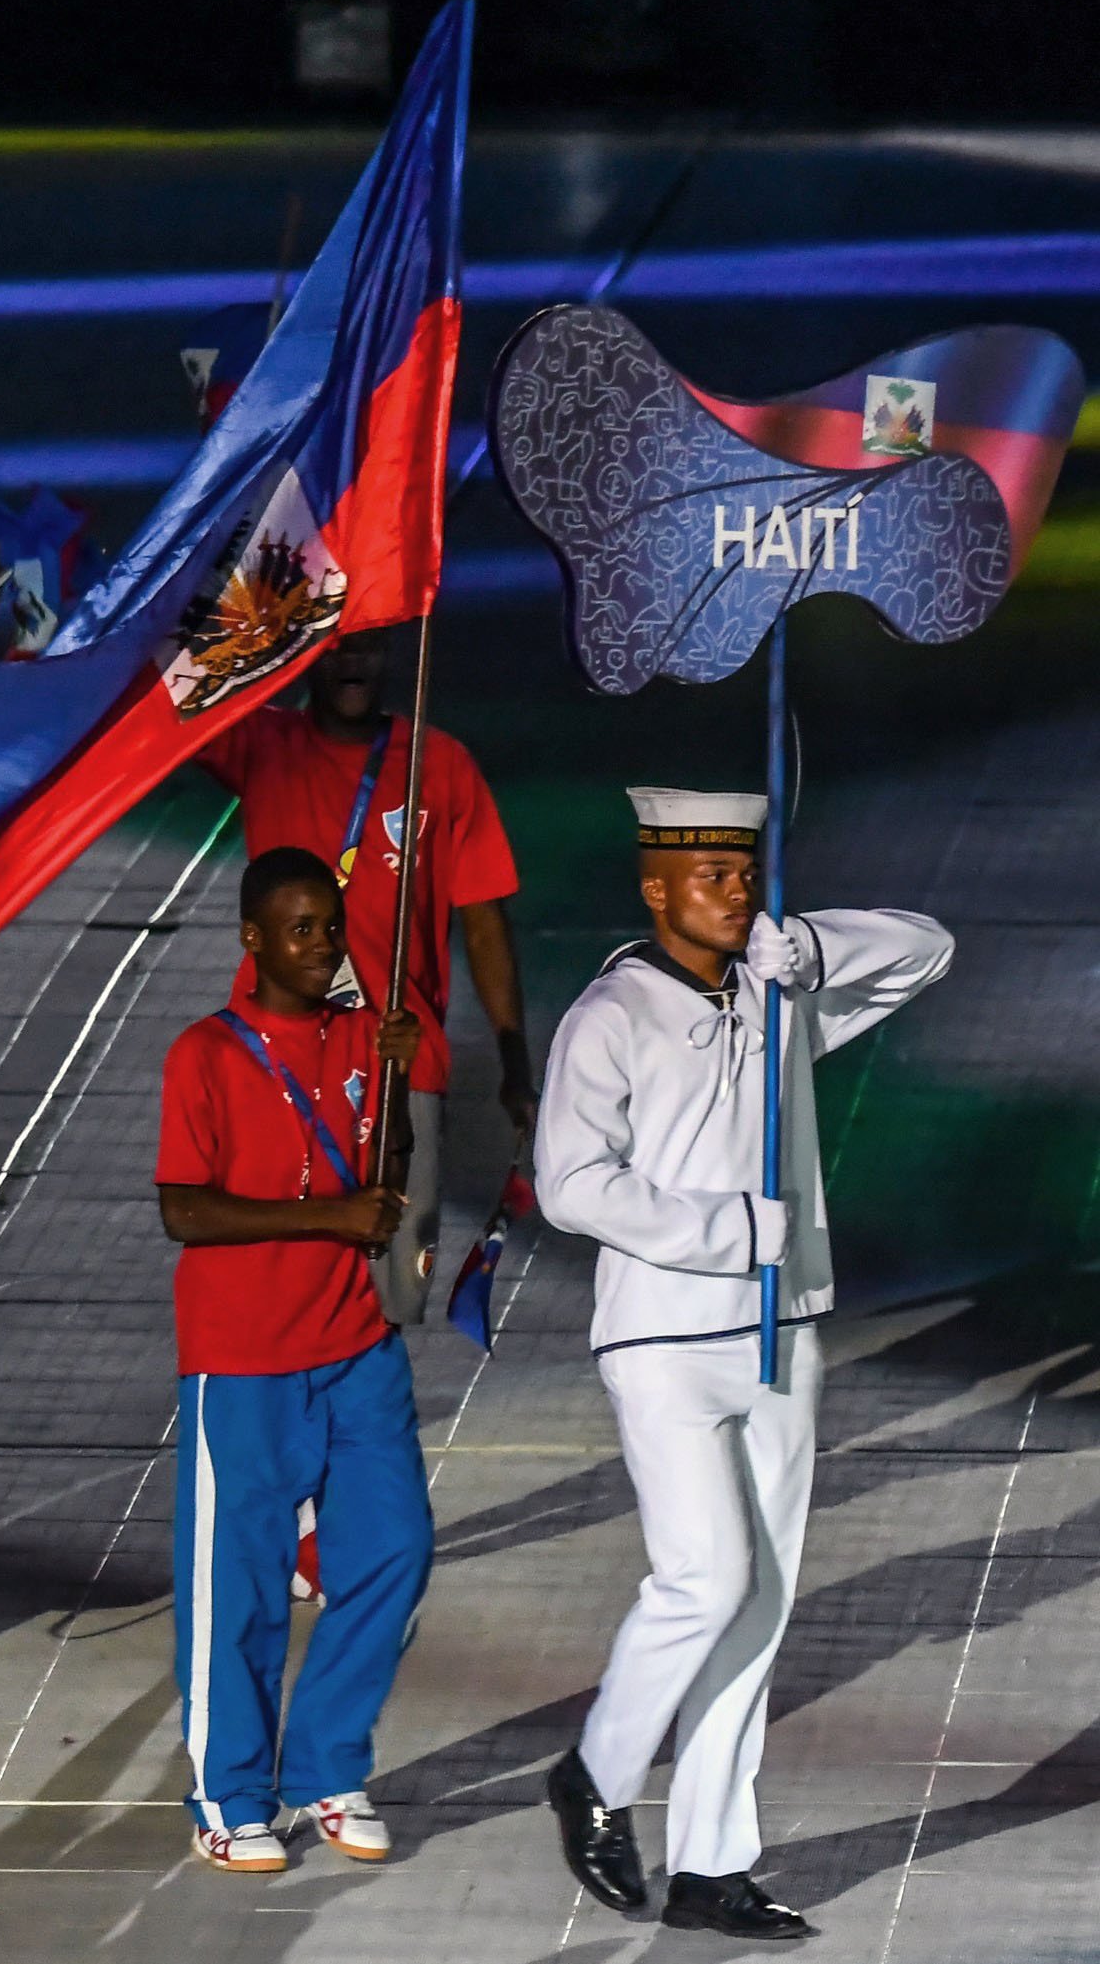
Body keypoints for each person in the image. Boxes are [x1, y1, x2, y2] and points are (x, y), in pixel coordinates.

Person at [537, 789, 952, 1940]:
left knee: (759, 1604)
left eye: (742, 872)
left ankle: (714, 1862)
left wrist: (812, 946)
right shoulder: (611, 1013)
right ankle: (597, 1774)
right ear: (655, 887)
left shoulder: (777, 996)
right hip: (668, 1334)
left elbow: (927, 952)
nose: (734, 893)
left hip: (781, 1330)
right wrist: (730, 1229)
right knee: (703, 1577)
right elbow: (571, 1183)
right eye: (709, 875)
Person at [154, 846, 432, 1874]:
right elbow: (183, 1206)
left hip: (354, 1343)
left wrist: (398, 1082)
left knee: (394, 1550)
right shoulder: (207, 1054)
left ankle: (324, 1764)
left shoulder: (365, 1036)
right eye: (301, 929)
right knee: (242, 1588)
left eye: (332, 927)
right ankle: (230, 1794)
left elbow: (385, 1171)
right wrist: (325, 1216)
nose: (322, 947)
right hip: (245, 1356)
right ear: (254, 939)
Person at [199, 626, 529, 1323]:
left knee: (388, 1298)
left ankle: (362, 1426)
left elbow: (484, 921)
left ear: (392, 657)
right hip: (276, 1064)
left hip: (402, 1067)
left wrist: (514, 1066)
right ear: (307, 654)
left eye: (368, 647)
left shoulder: (439, 765)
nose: (353, 662)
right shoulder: (262, 743)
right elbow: (175, 691)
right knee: (277, 1288)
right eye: (335, 645)